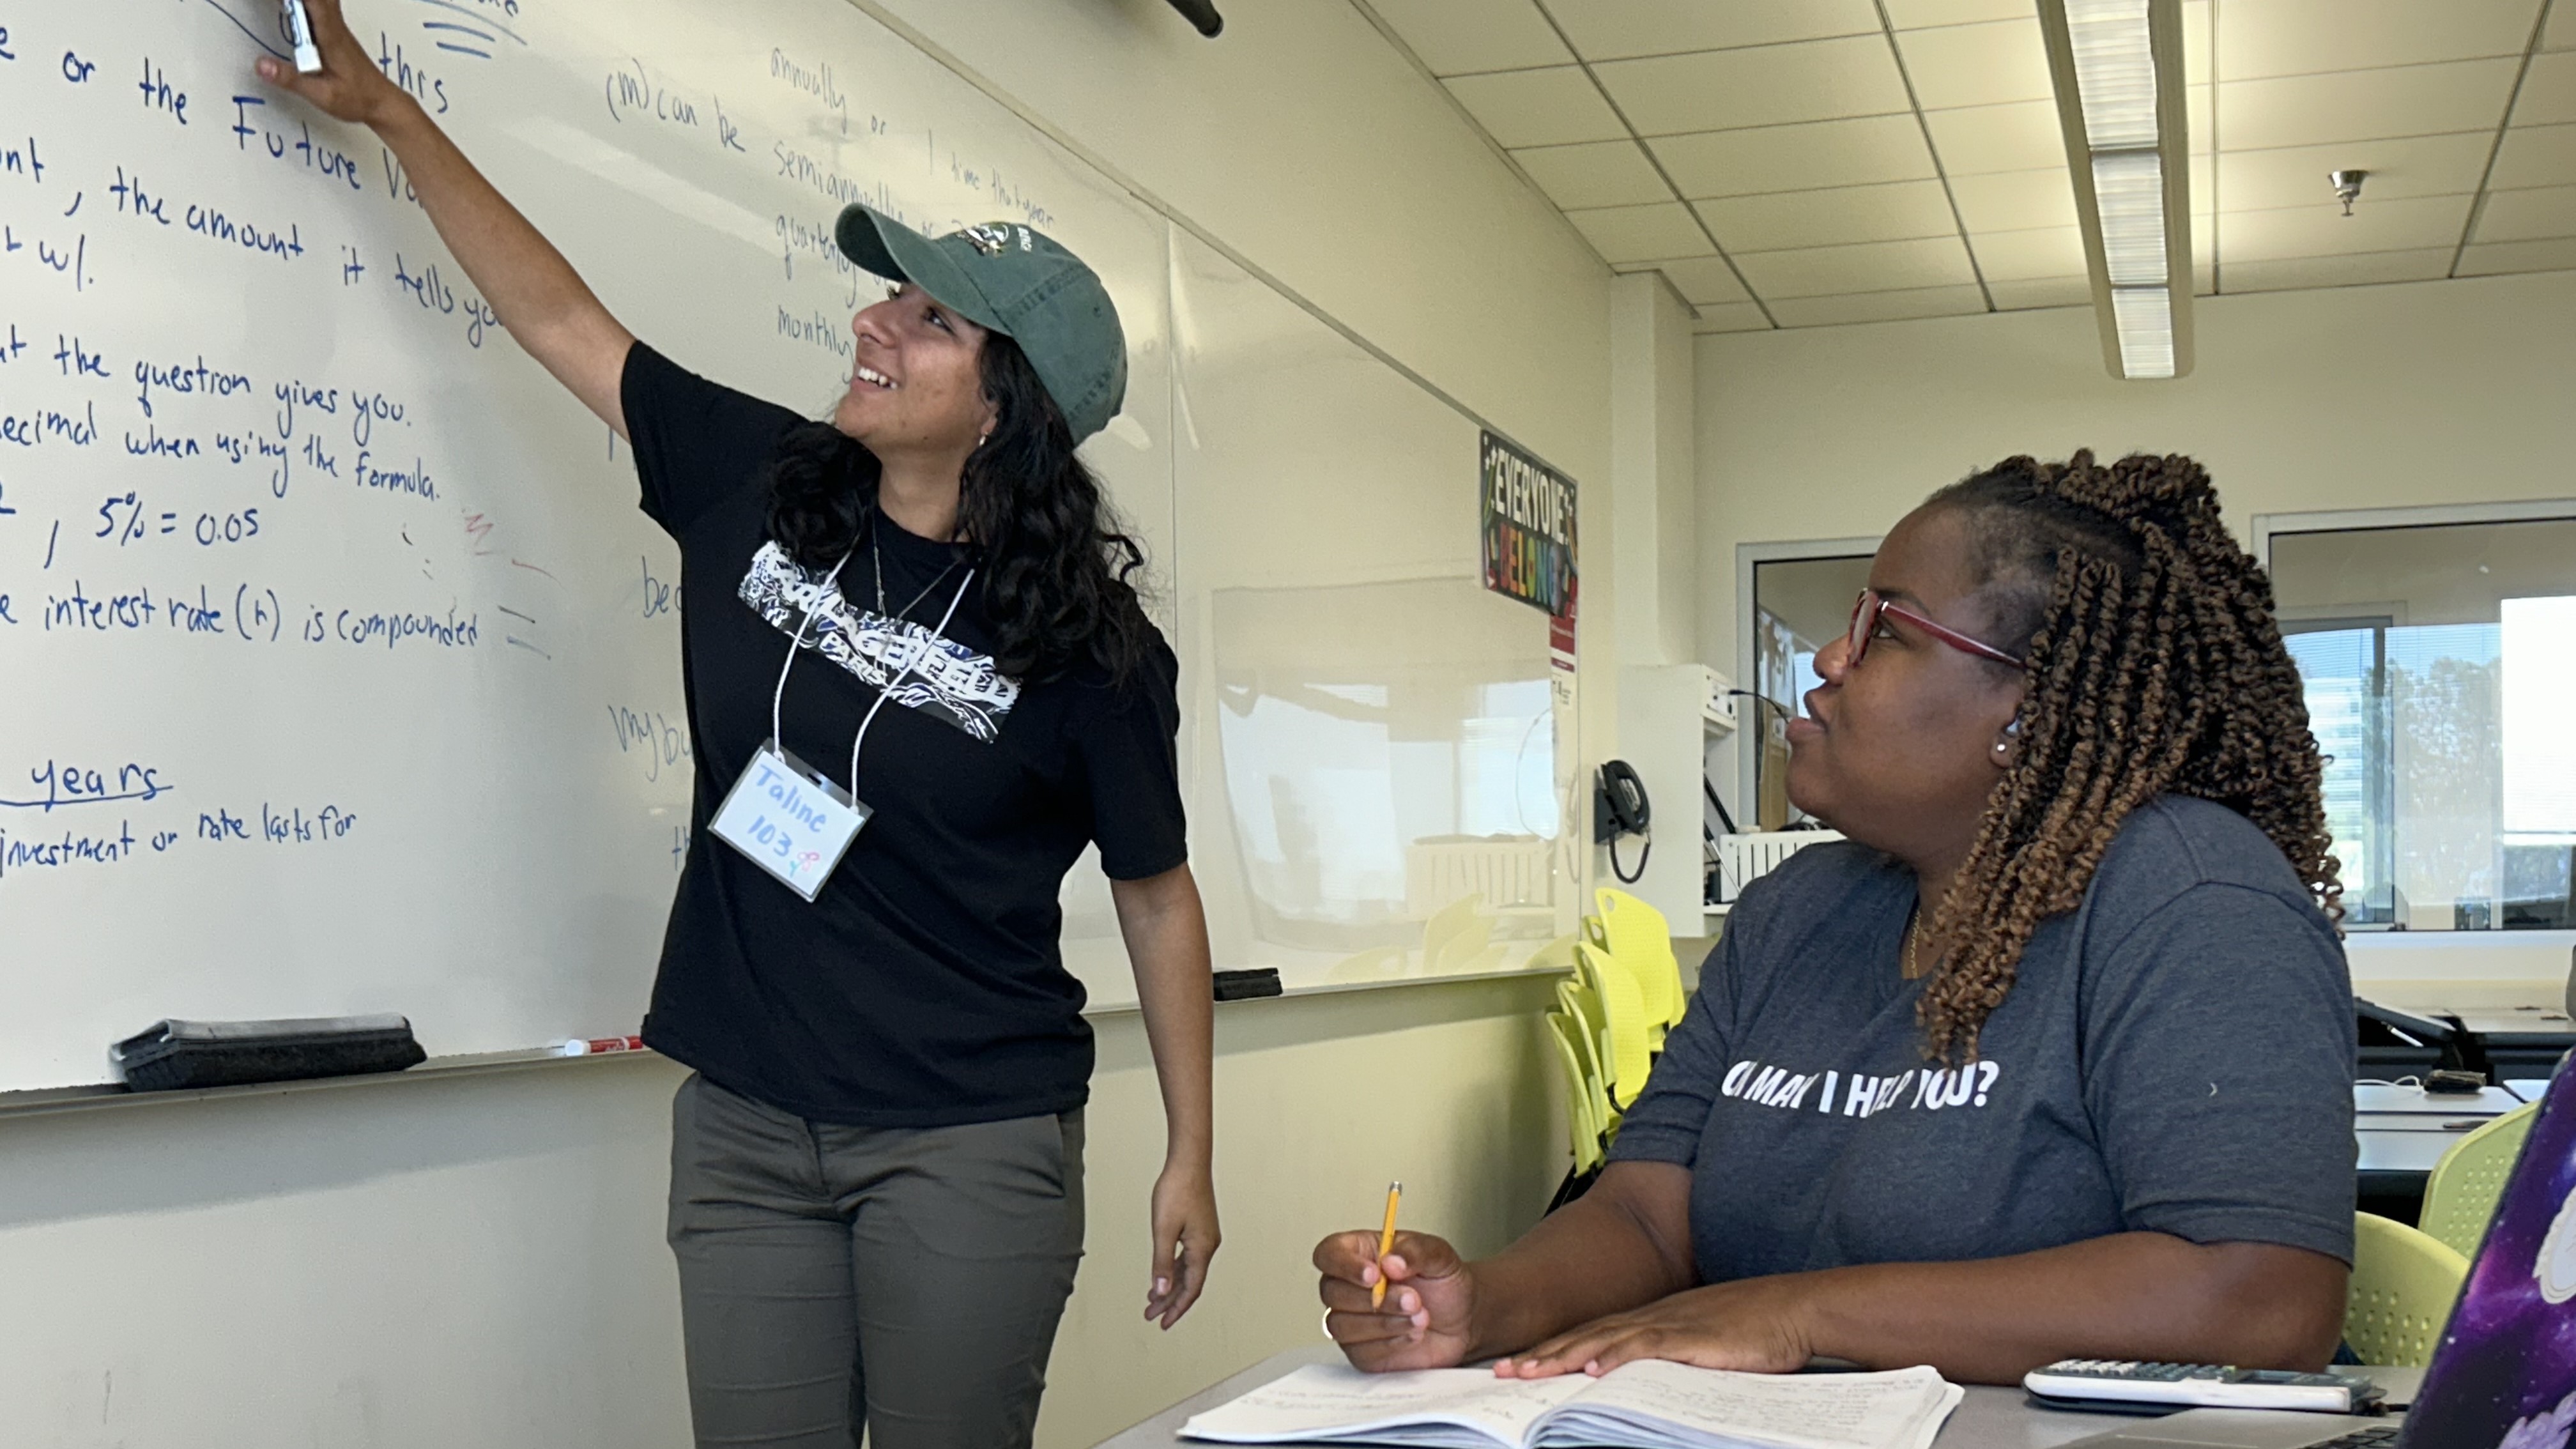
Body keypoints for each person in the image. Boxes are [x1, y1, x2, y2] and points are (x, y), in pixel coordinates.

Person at [257, 7, 1220, 1446]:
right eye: (889, 295)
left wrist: (1191, 1153)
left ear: (1005, 410)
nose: (871, 321)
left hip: (966, 1140)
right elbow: (561, 320)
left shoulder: (1091, 653)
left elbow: (1156, 900)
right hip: (748, 1126)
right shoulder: (764, 486)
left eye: (929, 318)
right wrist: (396, 117)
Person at [1317, 452, 2356, 1384]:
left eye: (1887, 630)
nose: (1826, 658)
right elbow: (1645, 1213)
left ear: (2029, 711)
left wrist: (1802, 1315)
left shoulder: (2192, 898)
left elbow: (2261, 1295)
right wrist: (1479, 1308)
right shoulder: (1795, 910)